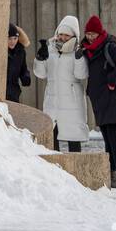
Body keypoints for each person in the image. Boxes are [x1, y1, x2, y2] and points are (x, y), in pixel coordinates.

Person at [76, 15, 116, 188]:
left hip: (113, 96)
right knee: (107, 138)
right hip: (100, 98)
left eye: (93, 33)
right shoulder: (88, 49)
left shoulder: (109, 46)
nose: (90, 37)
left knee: (114, 137)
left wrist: (111, 78)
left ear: (99, 33)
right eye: (88, 34)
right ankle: (111, 172)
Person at [33, 14, 89, 152]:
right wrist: (40, 59)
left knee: (73, 137)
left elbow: (81, 75)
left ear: (73, 36)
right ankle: (54, 169)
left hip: (72, 101)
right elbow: (40, 74)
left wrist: (79, 59)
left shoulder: (77, 51)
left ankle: (74, 169)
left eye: (67, 35)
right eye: (61, 34)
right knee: (52, 135)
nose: (63, 38)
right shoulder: (50, 49)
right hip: (53, 99)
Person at [6, 24, 31, 103]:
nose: (13, 41)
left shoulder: (20, 51)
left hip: (14, 94)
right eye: (9, 38)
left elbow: (23, 68)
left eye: (15, 38)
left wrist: (26, 77)